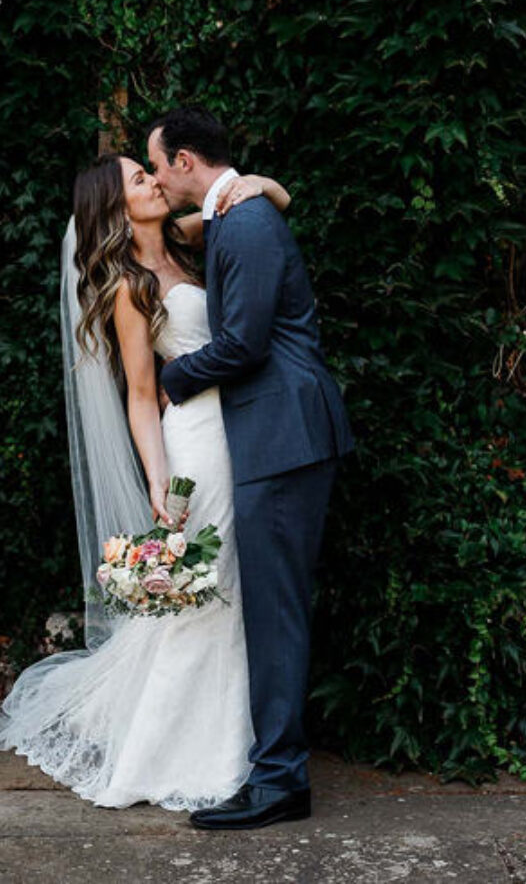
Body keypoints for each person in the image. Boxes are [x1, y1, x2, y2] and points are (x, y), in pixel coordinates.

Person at [0, 149, 289, 812]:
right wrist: (159, 483)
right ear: (117, 208)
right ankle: (166, 753)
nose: (155, 180)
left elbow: (277, 203)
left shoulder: (191, 238)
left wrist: (256, 183)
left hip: (243, 430)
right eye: (140, 179)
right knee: (205, 594)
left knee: (230, 587)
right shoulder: (128, 285)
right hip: (196, 446)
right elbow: (142, 396)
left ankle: (234, 741)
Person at [148, 106, 355, 831]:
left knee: (276, 611)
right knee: (271, 609)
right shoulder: (236, 216)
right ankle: (276, 771)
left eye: (158, 164)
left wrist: (171, 377)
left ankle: (279, 782)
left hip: (283, 435)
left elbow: (243, 344)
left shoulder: (248, 223)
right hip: (275, 435)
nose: (156, 180)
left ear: (185, 160)